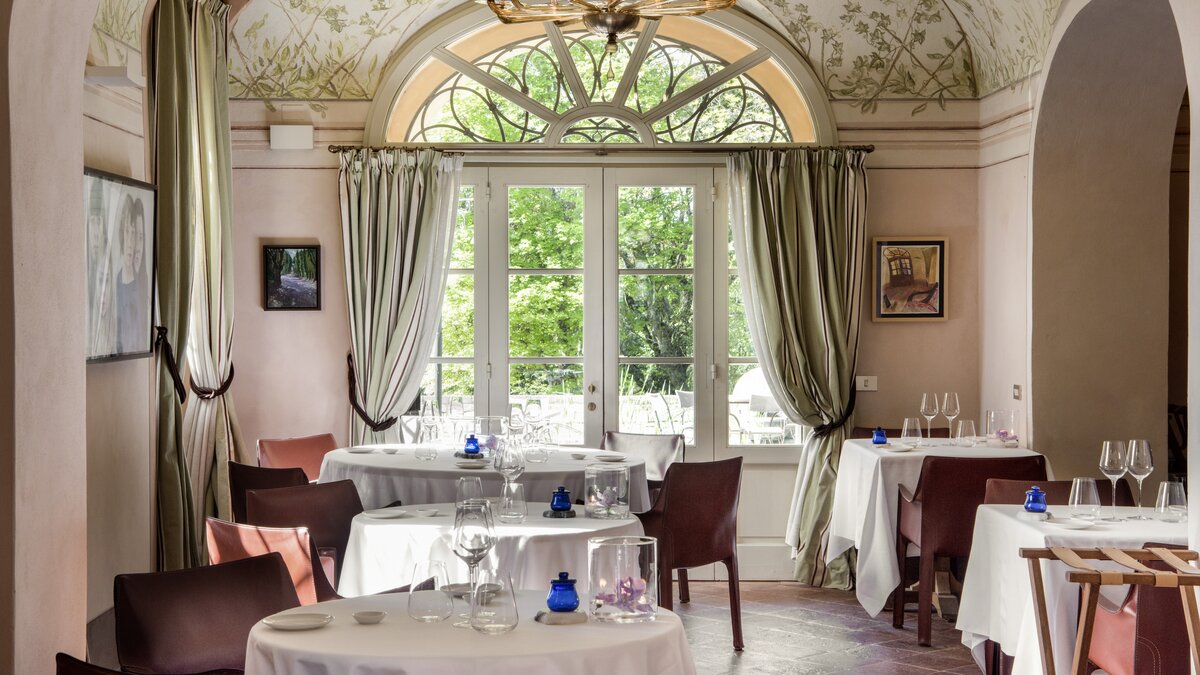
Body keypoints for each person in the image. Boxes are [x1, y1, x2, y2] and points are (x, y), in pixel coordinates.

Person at [115, 192, 149, 354]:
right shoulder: (117, 280)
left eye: (136, 235)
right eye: (127, 232)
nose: (131, 242)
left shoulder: (142, 281)